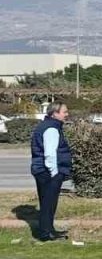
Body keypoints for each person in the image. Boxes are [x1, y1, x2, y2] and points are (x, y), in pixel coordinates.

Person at [30, 103, 72, 242]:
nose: (67, 114)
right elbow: (50, 154)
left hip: (42, 170)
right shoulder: (51, 129)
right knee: (49, 203)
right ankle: (46, 233)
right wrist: (54, 172)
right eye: (64, 112)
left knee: (46, 203)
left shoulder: (47, 126)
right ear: (54, 113)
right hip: (48, 171)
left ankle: (48, 230)